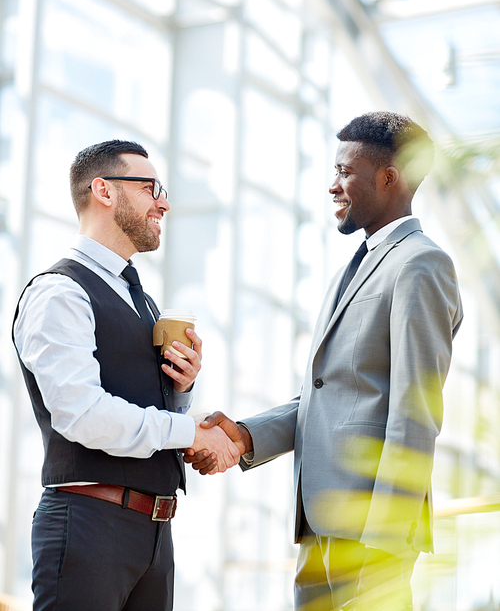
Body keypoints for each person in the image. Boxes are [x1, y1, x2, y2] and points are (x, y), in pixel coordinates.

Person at [185, 112, 463, 610]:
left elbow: (414, 412)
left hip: (371, 535)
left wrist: (384, 539)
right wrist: (247, 435)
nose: (332, 186)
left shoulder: (420, 264)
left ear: (388, 177)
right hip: (319, 527)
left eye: (344, 171)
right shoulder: (347, 274)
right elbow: (328, 395)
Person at [13, 140, 240, 611]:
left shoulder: (141, 298)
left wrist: (181, 388)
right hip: (90, 528)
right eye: (151, 187)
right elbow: (82, 415)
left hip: (153, 532)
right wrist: (189, 431)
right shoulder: (60, 292)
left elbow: (137, 403)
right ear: (104, 191)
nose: (165, 201)